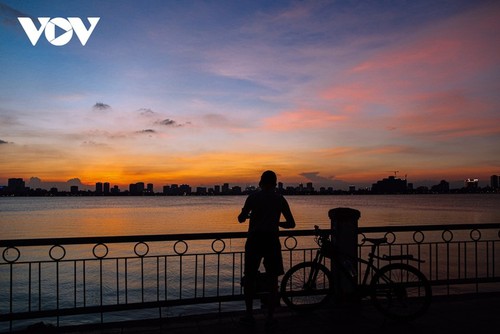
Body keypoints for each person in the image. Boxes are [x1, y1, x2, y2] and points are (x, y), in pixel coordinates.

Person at [238, 170, 295, 327]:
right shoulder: (280, 199)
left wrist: (248, 216)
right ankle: (270, 316)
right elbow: (291, 223)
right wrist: (276, 223)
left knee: (249, 278)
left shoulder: (253, 197)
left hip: (254, 240)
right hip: (271, 240)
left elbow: (241, 218)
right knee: (272, 281)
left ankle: (249, 315)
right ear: (275, 183)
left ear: (260, 182)